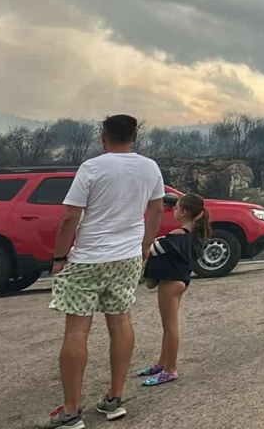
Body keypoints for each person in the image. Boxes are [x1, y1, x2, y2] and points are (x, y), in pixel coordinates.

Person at [38, 115, 165, 429]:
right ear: (135, 136)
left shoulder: (92, 168)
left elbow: (70, 218)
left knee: (77, 331)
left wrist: (58, 257)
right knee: (121, 322)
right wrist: (145, 245)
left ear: (102, 136)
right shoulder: (150, 167)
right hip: (126, 257)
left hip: (88, 258)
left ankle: (70, 411)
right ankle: (114, 398)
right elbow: (157, 209)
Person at [136, 193, 210, 387]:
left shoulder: (177, 236)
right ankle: (162, 363)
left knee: (169, 326)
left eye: (176, 208)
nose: (174, 210)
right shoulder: (194, 236)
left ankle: (170, 369)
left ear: (184, 212)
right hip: (181, 280)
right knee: (168, 326)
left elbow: (150, 250)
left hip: (170, 282)